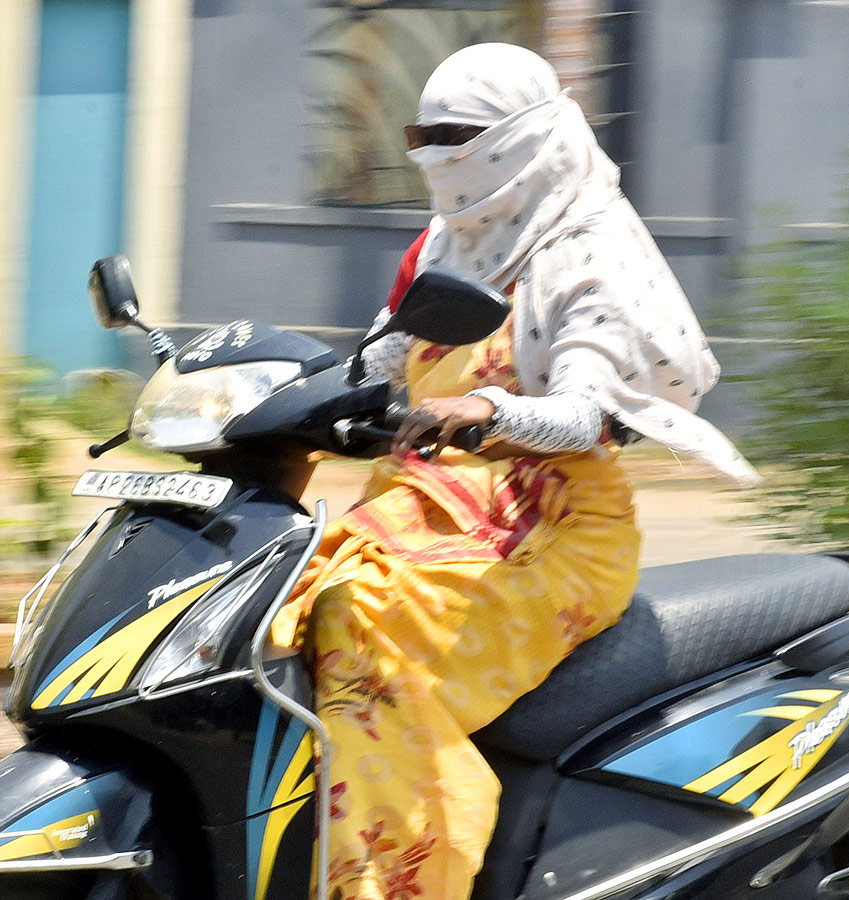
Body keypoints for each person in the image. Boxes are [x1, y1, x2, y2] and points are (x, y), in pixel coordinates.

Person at [272, 42, 757, 900]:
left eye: (455, 135)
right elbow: (377, 363)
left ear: (523, 138)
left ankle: (406, 879)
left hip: (553, 535)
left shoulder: (589, 252)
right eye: (422, 134)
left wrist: (491, 412)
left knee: (364, 624)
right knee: (270, 606)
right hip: (426, 513)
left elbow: (585, 415)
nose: (433, 154)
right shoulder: (446, 243)